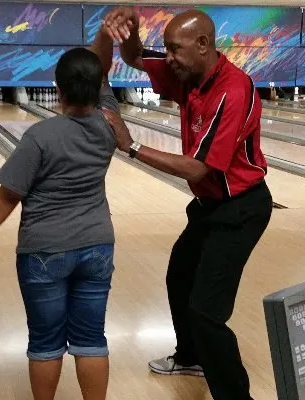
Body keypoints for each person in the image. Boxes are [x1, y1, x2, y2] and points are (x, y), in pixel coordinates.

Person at [101, 7, 272, 400]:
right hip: (209, 208)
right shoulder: (188, 73)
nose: (169, 57)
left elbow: (198, 169)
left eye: (174, 49)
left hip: (240, 210)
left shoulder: (233, 89)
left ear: (203, 44)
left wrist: (132, 146)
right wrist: (131, 30)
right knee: (179, 276)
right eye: (167, 49)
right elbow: (132, 57)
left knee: (206, 312)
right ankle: (192, 357)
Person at [0, 25, 118, 400]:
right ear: (101, 86)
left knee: (46, 341)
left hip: (43, 252)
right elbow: (104, 72)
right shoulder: (110, 123)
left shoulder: (40, 137)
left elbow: (8, 195)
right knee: (91, 338)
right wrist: (109, 35)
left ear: (58, 89)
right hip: (98, 246)